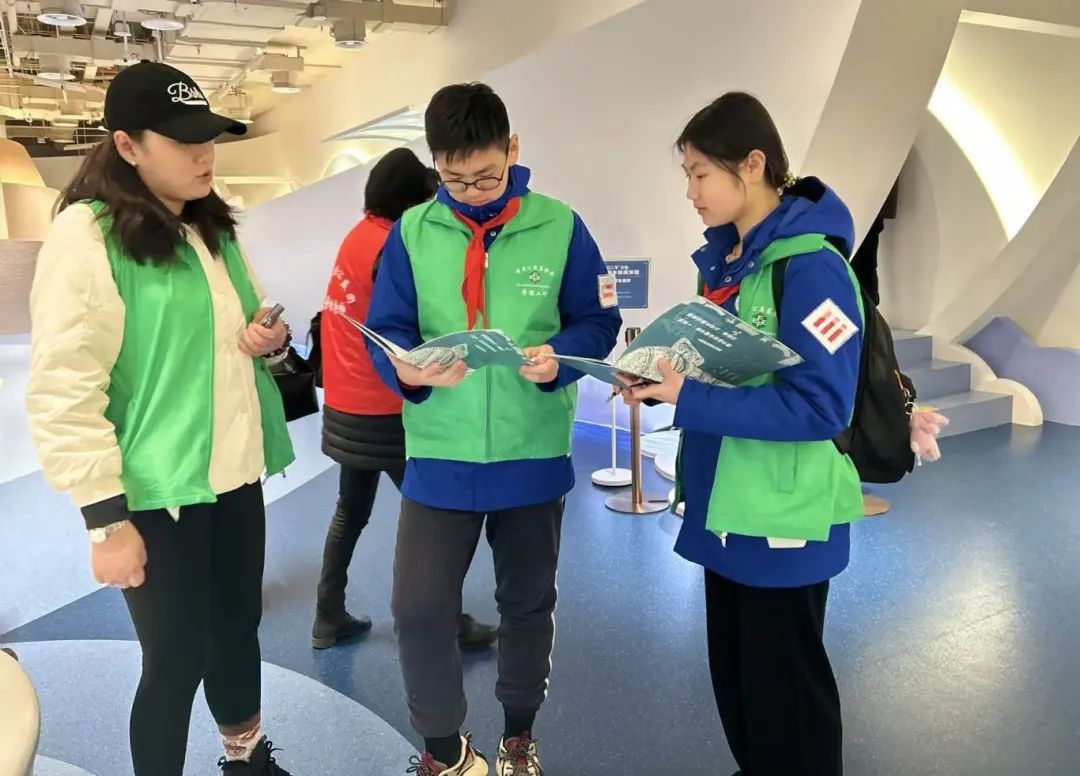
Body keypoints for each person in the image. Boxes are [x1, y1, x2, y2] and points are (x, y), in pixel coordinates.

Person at [25, 61, 295, 776]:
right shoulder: (87, 235)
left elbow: (241, 333)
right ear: (127, 145)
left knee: (236, 631)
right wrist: (105, 520)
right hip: (155, 490)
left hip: (234, 472)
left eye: (208, 138)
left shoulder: (211, 227)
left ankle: (246, 758)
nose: (204, 155)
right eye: (182, 140)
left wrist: (264, 341)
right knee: (176, 659)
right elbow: (64, 386)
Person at [367, 83, 622, 776]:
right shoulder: (412, 232)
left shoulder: (561, 226)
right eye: (453, 180)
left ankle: (518, 738)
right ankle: (444, 750)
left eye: (485, 176)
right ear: (434, 165)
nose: (471, 193)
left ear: (513, 149)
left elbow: (598, 322)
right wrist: (407, 371)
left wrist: (559, 360)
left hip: (530, 450)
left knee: (527, 605)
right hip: (439, 453)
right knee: (418, 609)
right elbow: (385, 330)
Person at [621, 92, 865, 776]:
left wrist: (690, 396)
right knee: (739, 681)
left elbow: (822, 407)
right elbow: (723, 368)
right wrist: (658, 375)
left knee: (788, 694)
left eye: (700, 173)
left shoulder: (811, 269)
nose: (690, 191)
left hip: (783, 519)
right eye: (688, 174)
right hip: (725, 505)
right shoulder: (726, 264)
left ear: (753, 165)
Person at [314, 147, 498, 652]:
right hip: (383, 406)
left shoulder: (357, 236)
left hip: (344, 402)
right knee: (434, 517)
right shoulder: (391, 244)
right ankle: (447, 622)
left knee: (350, 512)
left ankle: (327, 614)